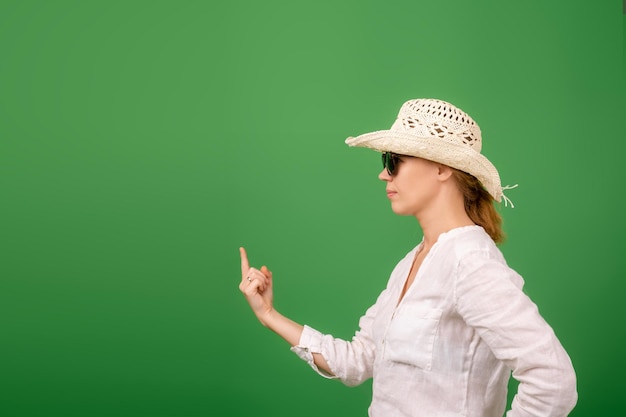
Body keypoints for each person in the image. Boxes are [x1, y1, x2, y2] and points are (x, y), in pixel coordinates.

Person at [238, 98, 577, 417]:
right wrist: (268, 314)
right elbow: (357, 361)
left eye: (394, 161)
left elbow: (553, 380)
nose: (384, 174)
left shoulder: (470, 263)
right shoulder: (412, 262)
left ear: (443, 168)